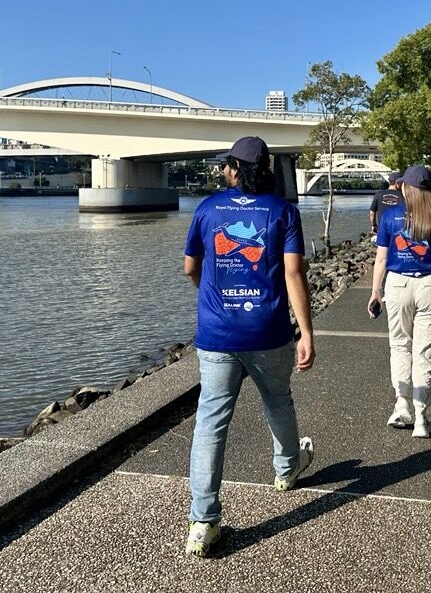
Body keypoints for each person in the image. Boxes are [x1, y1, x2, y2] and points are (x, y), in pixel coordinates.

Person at [183, 135, 317, 557]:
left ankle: (203, 521)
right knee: (278, 401)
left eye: (227, 164)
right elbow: (294, 274)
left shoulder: (207, 209)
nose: (224, 169)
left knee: (210, 421)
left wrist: (211, 298)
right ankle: (286, 470)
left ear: (235, 169)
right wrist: (307, 332)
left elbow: (191, 267)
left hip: (217, 335)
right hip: (269, 330)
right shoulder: (283, 211)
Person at [368, 165, 431, 438]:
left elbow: (382, 259)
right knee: (425, 353)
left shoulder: (391, 216)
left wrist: (376, 291)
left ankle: (402, 405)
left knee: (399, 345)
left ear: (405, 187)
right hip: (430, 285)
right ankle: (422, 417)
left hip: (397, 284)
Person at [369, 170, 403, 238]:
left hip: (383, 229)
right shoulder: (402, 195)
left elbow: (372, 213)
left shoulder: (378, 194)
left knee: (383, 247)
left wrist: (374, 225)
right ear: (398, 183)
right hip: (398, 231)